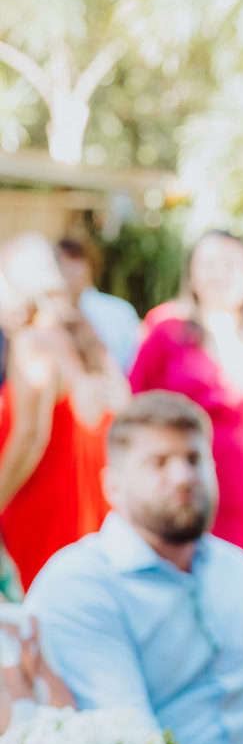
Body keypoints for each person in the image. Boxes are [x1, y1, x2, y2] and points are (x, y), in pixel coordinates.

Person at [25, 390, 243, 744]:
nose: (184, 476)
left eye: (194, 458)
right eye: (159, 462)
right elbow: (132, 742)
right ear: (113, 487)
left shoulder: (236, 567)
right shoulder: (80, 584)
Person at [130, 230, 243, 581]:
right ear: (192, 273)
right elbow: (136, 411)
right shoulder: (166, 332)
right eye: (209, 264)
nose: (220, 273)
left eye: (231, 263)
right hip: (189, 493)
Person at [0, 233, 128, 591]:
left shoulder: (32, 343)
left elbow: (30, 436)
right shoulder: (87, 340)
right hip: (90, 518)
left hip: (43, 513)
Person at [55, 235, 142, 373]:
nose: (69, 268)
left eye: (76, 259)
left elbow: (132, 365)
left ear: (91, 265)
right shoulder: (48, 316)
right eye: (62, 261)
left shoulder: (120, 312)